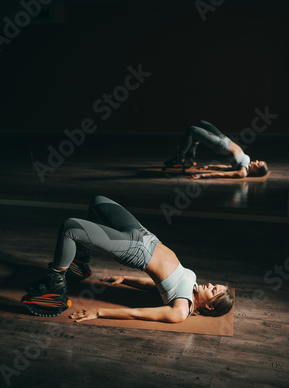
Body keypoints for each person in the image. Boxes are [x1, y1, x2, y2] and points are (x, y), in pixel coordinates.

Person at [23, 196, 234, 322]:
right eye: (216, 285)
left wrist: (99, 312)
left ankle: (55, 288)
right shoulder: (193, 288)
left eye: (214, 290)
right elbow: (157, 286)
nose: (211, 284)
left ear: (209, 307)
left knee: (70, 228)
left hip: (136, 250)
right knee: (98, 202)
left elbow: (138, 313)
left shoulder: (181, 310)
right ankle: (79, 261)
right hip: (145, 235)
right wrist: (126, 279)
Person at [165, 120, 268, 179]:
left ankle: (181, 158)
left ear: (256, 171)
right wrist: (209, 166)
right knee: (201, 123)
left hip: (221, 144)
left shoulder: (243, 172)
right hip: (224, 138)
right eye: (259, 161)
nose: (257, 161)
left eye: (258, 164)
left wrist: (203, 176)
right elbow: (225, 167)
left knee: (192, 130)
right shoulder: (246, 165)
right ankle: (190, 156)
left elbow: (223, 174)